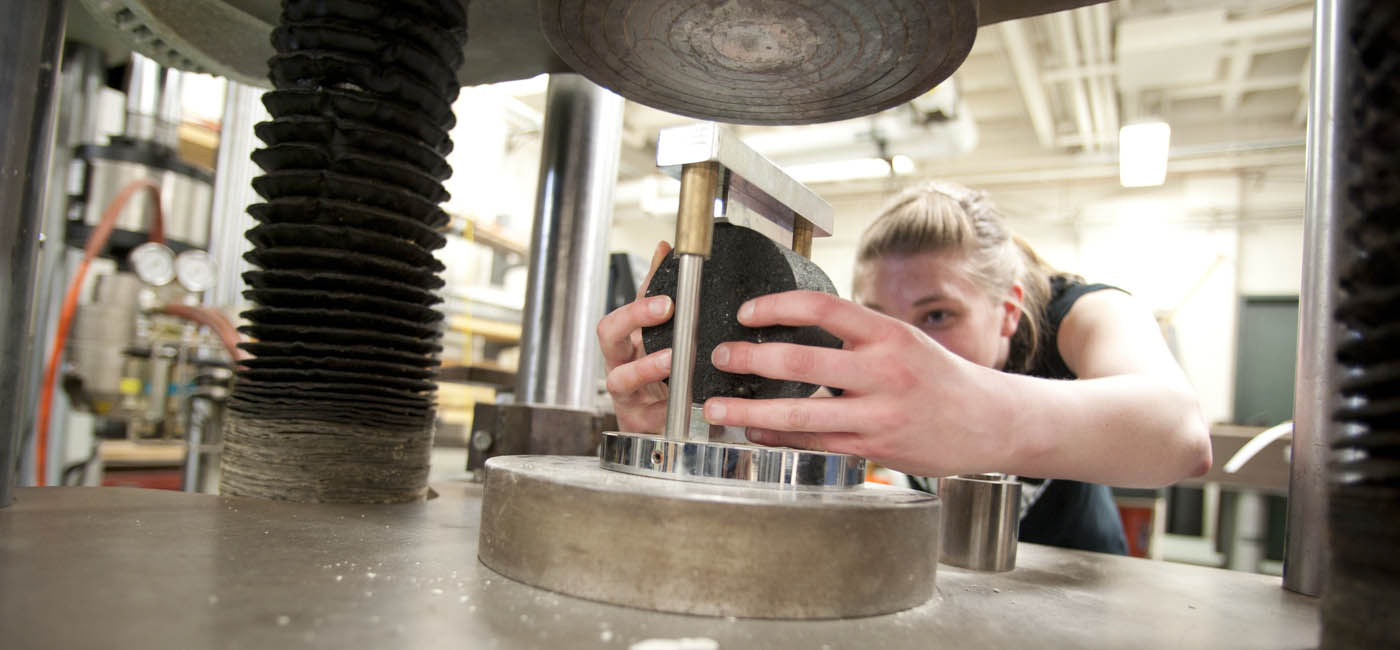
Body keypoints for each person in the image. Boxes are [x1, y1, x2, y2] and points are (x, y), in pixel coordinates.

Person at [596, 180, 1211, 554]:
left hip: (1080, 594)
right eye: (878, 317)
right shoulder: (850, 358)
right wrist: (686, 427)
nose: (904, 346)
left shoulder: (1077, 311)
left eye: (937, 315)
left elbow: (1180, 435)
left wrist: (977, 412)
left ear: (1008, 310)